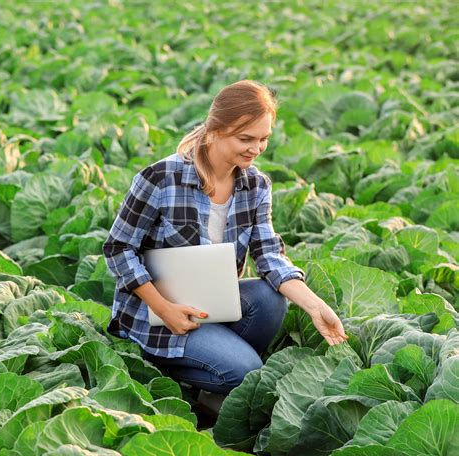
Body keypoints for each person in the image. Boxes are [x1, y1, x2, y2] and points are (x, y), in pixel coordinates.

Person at [102, 80, 347, 404]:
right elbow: (118, 248)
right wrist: (165, 307)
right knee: (247, 372)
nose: (256, 148)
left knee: (269, 298)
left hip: (212, 307)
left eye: (264, 139)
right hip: (156, 315)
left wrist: (316, 307)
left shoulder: (256, 186)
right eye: (245, 139)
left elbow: (269, 254)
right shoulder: (161, 178)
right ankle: (165, 369)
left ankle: (214, 376)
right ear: (215, 130)